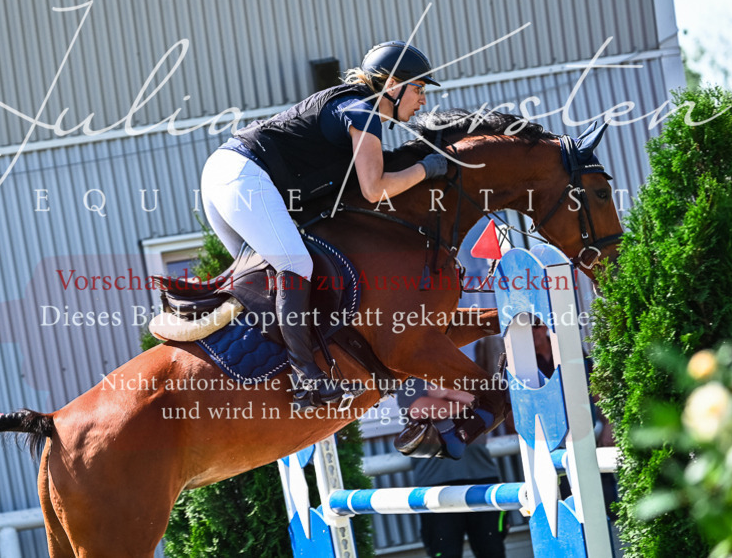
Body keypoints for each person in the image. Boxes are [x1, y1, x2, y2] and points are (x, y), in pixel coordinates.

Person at [200, 41, 448, 409]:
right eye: (419, 89)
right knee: (295, 266)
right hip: (241, 177)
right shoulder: (361, 111)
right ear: (393, 86)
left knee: (272, 283)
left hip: (229, 176)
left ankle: (272, 370)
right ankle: (309, 379)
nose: (423, 100)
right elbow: (375, 189)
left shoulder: (358, 109)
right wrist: (425, 169)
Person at [397, 368, 508, 558]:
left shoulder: (462, 371)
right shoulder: (409, 376)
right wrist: (466, 405)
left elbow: (490, 403)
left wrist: (447, 393)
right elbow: (420, 409)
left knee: (493, 551)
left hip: (482, 478)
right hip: (436, 485)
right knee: (445, 553)